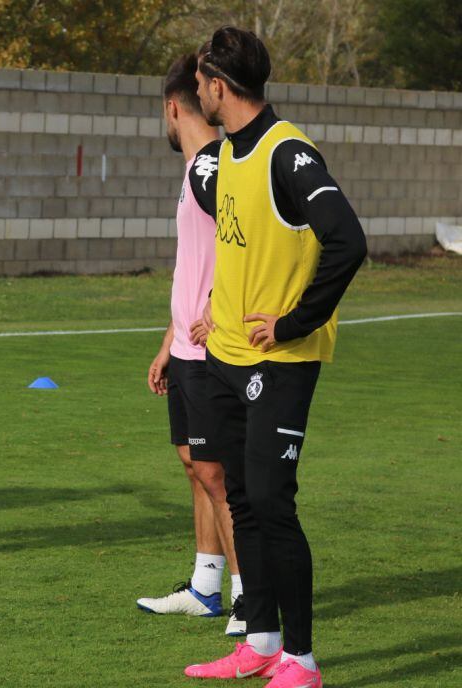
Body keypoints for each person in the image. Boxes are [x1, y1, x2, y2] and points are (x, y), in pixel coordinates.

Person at [183, 27, 367, 688]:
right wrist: (215, 310)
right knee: (244, 498)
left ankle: (303, 660)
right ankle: (259, 642)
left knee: (271, 500)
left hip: (281, 364)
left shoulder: (289, 153)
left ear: (219, 86)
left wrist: (293, 322)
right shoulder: (231, 153)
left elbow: (347, 242)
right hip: (226, 358)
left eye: (201, 81)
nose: (197, 90)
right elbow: (246, 251)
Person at [137, 53, 244, 638]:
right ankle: (205, 586)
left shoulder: (211, 168)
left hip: (213, 351)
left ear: (171, 108)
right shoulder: (196, 168)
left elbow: (241, 247)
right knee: (194, 465)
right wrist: (168, 341)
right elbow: (195, 266)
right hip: (185, 349)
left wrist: (211, 313)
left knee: (215, 471)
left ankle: (248, 596)